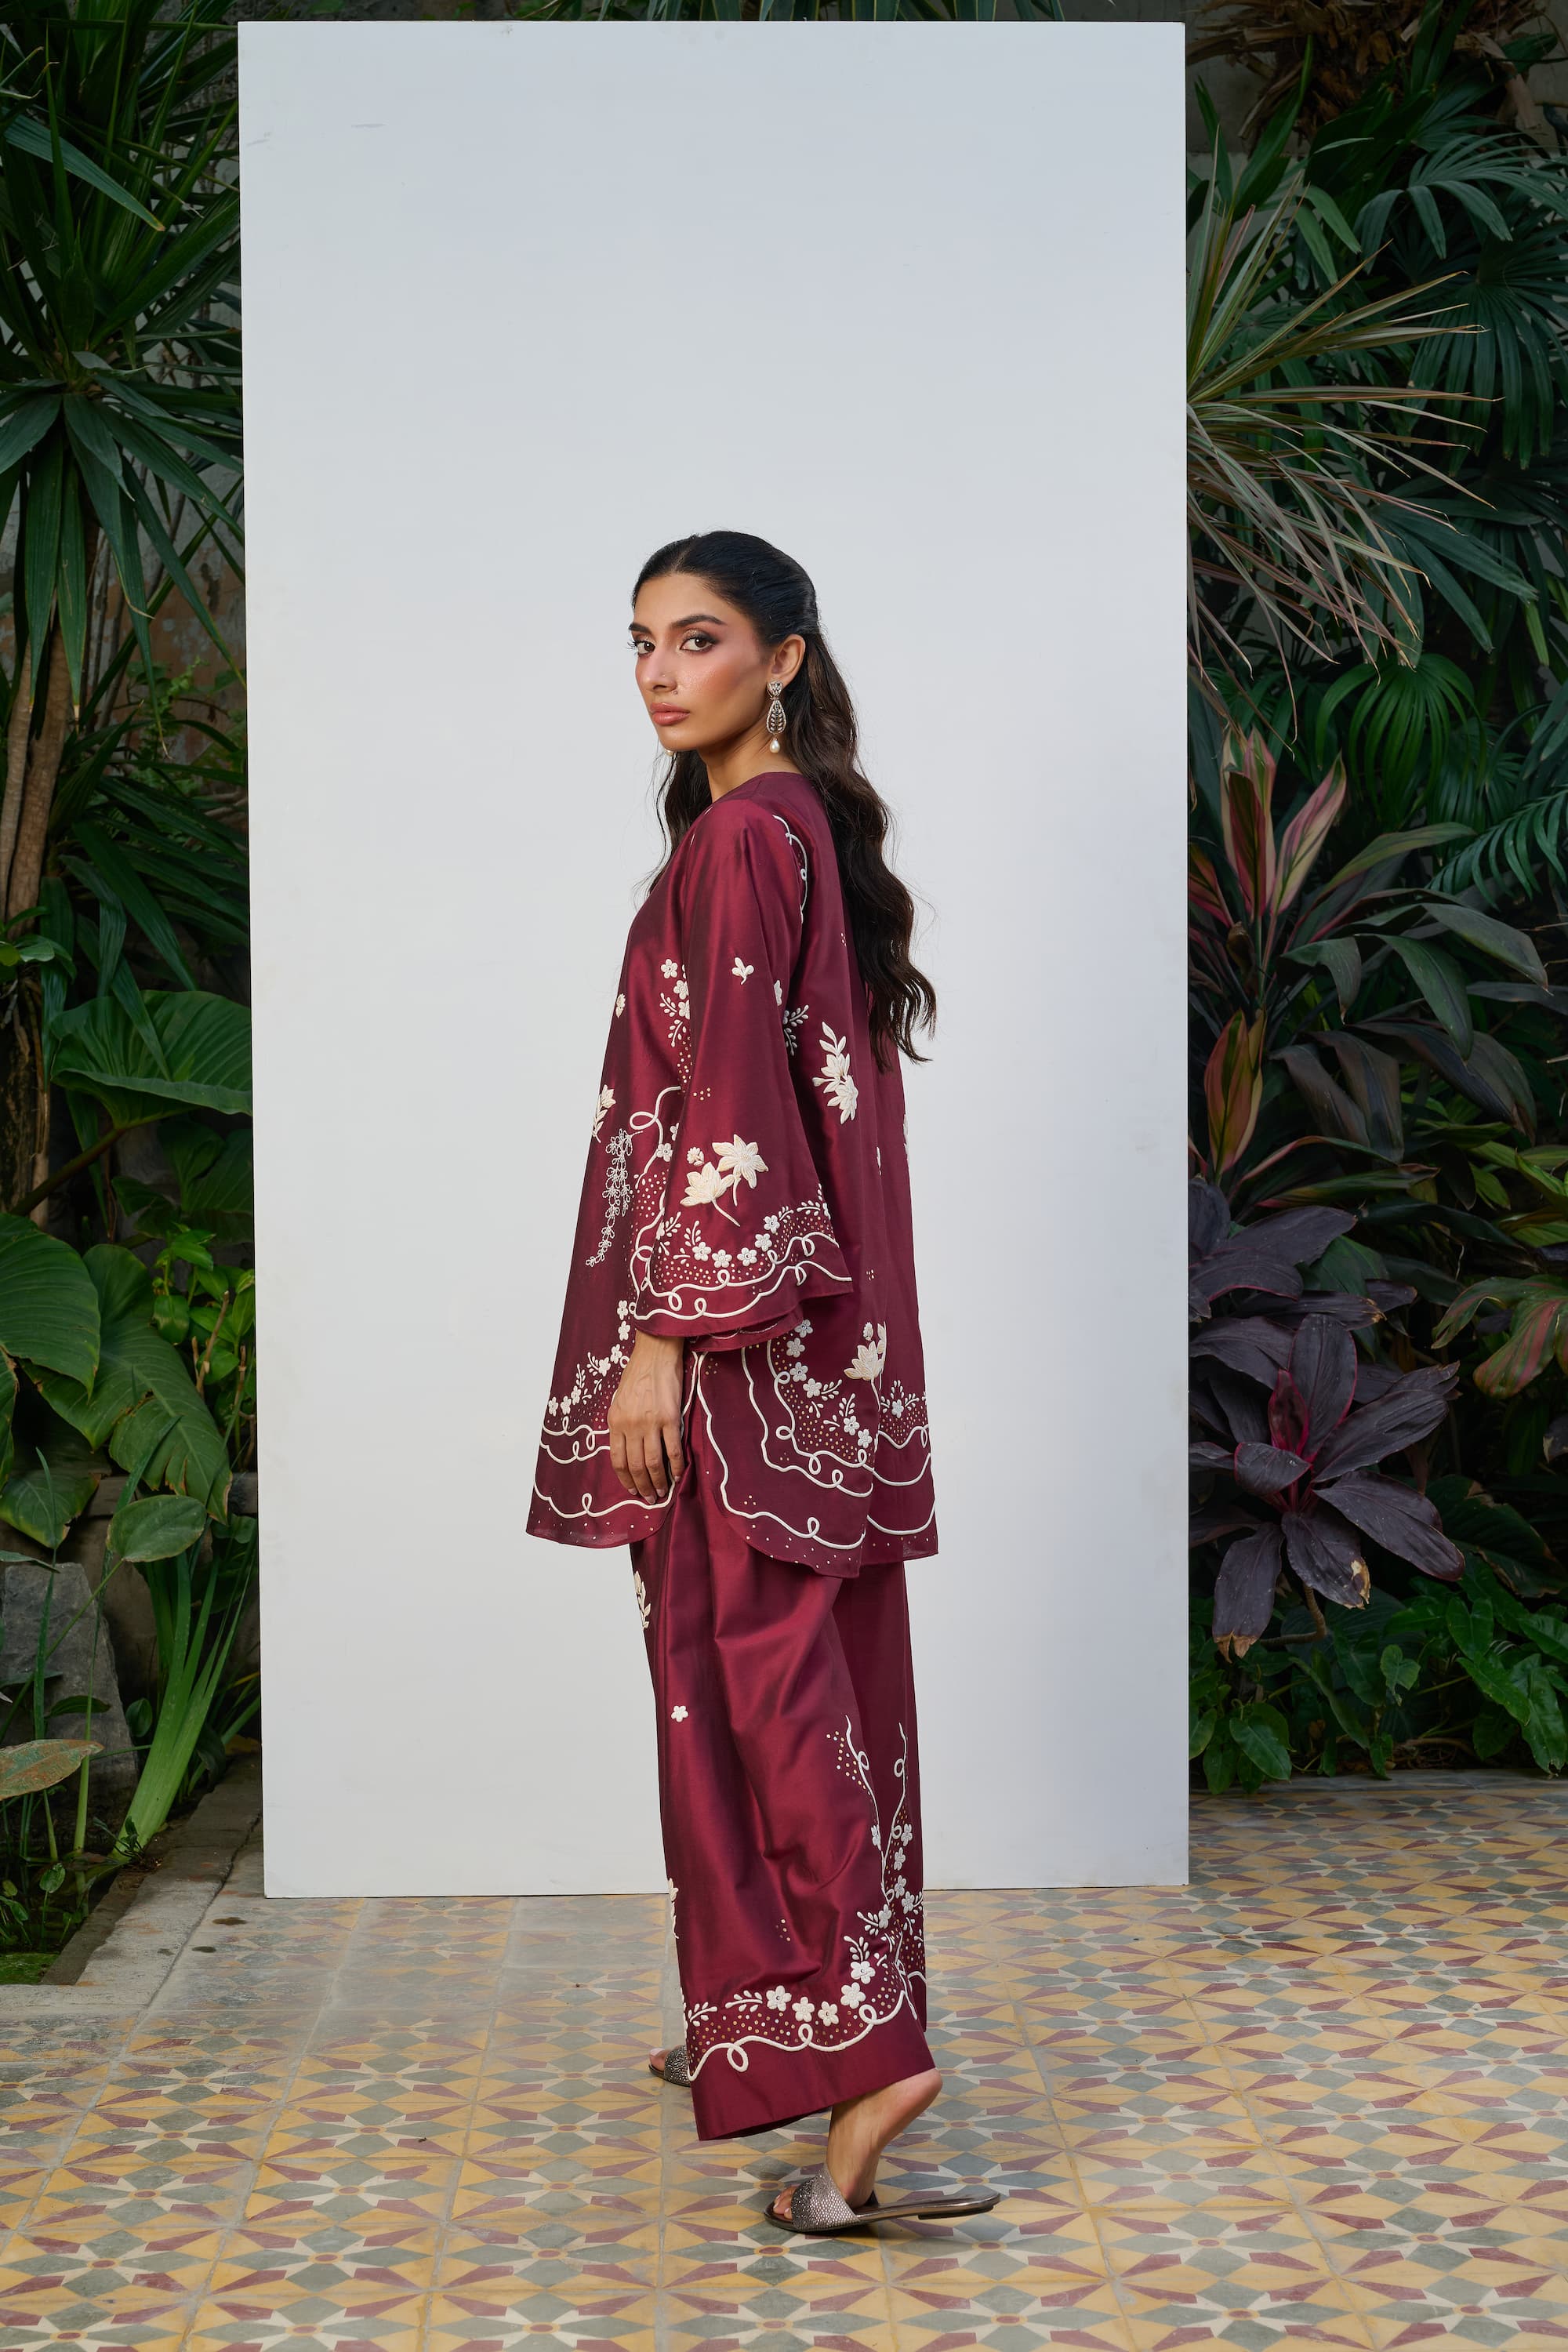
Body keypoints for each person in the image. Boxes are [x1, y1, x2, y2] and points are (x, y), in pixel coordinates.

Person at [528, 531, 997, 2237]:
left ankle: (863, 2066)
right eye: (642, 642)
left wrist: (664, 1339)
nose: (661, 673)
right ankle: (769, 2017)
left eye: (700, 639)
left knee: (755, 1690)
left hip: (737, 1350)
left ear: (783, 658)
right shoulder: (800, 830)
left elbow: (727, 1108)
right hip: (822, 1351)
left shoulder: (742, 839)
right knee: (809, 1682)